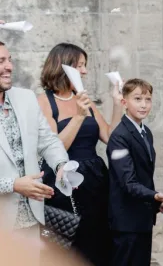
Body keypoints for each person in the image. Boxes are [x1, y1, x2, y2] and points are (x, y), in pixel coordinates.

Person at [37, 43, 121, 266]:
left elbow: (110, 138)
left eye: (85, 66)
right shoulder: (44, 102)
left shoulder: (84, 99)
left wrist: (117, 102)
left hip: (95, 181)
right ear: (63, 66)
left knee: (98, 242)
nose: (84, 71)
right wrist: (78, 116)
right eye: (80, 65)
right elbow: (53, 147)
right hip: (64, 184)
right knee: (68, 245)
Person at [0, 41, 68, 251]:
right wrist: (12, 185)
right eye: (0, 61)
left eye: (9, 60)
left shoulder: (27, 98)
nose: (9, 66)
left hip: (31, 220)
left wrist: (61, 166)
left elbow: (48, 140)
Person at [107, 79, 163, 266]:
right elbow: (128, 182)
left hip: (142, 218)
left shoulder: (146, 132)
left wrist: (157, 205)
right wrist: (156, 196)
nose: (144, 104)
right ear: (124, 102)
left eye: (148, 99)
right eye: (137, 99)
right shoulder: (119, 137)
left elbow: (144, 176)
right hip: (126, 222)